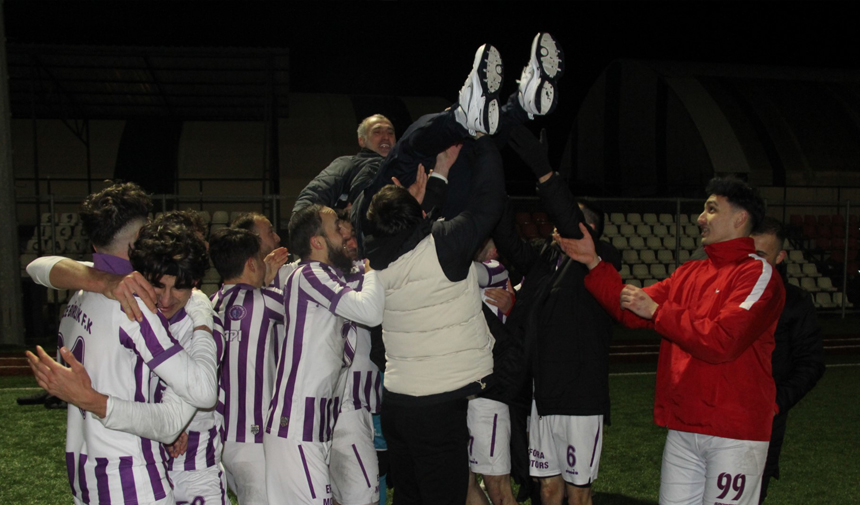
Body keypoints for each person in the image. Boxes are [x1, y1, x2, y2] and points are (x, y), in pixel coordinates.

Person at [555, 176, 786, 505]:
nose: (700, 218)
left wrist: (659, 312)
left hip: (734, 432)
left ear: (740, 218)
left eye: (711, 209)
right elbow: (631, 310)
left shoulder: (758, 274)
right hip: (684, 425)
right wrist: (593, 262)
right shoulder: (690, 272)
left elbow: (724, 340)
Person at [25, 183, 219, 505]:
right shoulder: (135, 304)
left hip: (83, 471)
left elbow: (38, 266)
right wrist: (202, 313)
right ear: (138, 241)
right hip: (130, 477)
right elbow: (202, 392)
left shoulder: (81, 289)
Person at [490, 124, 618, 505]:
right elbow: (510, 242)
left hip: (580, 399)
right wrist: (493, 186)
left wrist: (544, 171)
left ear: (589, 230)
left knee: (579, 493)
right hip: (542, 396)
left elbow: (564, 214)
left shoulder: (602, 260)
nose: (555, 223)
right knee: (547, 487)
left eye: (569, 220)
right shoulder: (548, 258)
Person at [265, 204, 384, 505]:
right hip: (297, 423)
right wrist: (373, 271)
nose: (344, 236)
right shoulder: (309, 273)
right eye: (336, 229)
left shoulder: (326, 275)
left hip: (317, 420)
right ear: (317, 242)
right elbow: (369, 311)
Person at [750, 217, 825, 503]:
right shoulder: (725, 292)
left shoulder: (794, 302)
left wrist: (776, 403)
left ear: (780, 257)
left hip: (764, 421)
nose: (752, 262)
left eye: (761, 255)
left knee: (753, 493)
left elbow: (812, 362)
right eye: (748, 253)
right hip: (718, 415)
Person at [209, 227, 286, 505]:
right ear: (252, 263)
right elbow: (311, 306)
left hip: (220, 439)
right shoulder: (265, 301)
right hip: (253, 440)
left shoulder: (209, 303)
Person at [329, 215, 384, 505]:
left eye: (353, 236)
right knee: (361, 498)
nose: (350, 242)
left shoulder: (367, 271)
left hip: (349, 402)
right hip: (340, 404)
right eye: (343, 236)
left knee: (341, 495)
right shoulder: (309, 274)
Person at [291, 114, 396, 216]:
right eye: (377, 132)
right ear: (362, 140)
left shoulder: (407, 168)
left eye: (390, 133)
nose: (386, 137)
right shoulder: (347, 164)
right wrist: (338, 218)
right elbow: (311, 198)